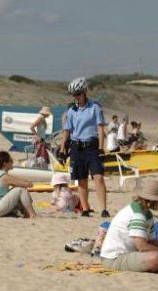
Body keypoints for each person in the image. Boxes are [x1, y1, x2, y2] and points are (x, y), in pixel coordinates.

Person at [100, 180, 158, 272]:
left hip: (124, 254)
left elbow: (151, 241)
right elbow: (142, 246)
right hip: (114, 258)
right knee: (157, 258)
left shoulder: (146, 213)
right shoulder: (138, 215)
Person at [59, 77, 110, 218]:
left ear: (85, 92)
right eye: (74, 94)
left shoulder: (95, 107)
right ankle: (86, 208)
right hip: (76, 146)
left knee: (98, 177)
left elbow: (100, 128)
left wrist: (101, 148)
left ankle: (104, 209)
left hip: (92, 146)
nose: (77, 97)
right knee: (81, 179)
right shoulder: (71, 111)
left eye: (79, 93)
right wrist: (62, 149)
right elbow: (67, 131)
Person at [0, 151, 36, 218]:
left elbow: (20, 182)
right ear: (5, 163)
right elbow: (29, 185)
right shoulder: (4, 176)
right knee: (20, 190)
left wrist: (21, 183)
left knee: (17, 189)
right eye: (11, 160)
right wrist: (25, 183)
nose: (13, 162)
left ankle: (26, 213)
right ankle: (32, 214)